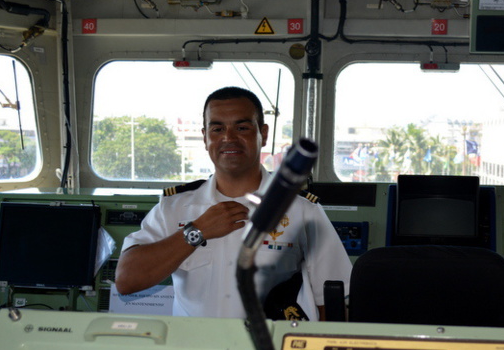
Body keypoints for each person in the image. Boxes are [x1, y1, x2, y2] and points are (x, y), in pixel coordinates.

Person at [115, 86, 352, 320]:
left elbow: (332, 299)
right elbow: (127, 280)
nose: (228, 138)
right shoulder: (175, 207)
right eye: (217, 128)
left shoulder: (302, 210)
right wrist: (195, 232)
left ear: (264, 134)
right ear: (205, 137)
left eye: (242, 127)